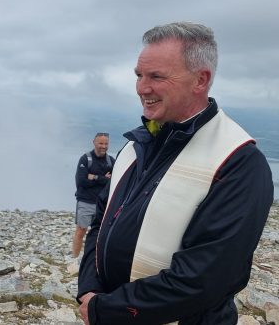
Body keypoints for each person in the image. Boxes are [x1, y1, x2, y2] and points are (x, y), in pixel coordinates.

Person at [77, 22, 273, 324]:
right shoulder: (135, 146)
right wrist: (89, 288)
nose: (142, 88)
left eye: (157, 76)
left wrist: (104, 310)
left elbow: (204, 278)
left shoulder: (238, 162)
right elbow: (101, 222)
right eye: (139, 75)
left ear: (200, 80)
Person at [72, 132, 115, 259]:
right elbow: (82, 181)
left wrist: (93, 177)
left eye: (106, 143)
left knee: (99, 234)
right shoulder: (85, 159)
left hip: (103, 204)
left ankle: (93, 259)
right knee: (81, 230)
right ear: (94, 142)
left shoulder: (111, 161)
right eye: (101, 143)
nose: (104, 146)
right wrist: (103, 178)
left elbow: (114, 182)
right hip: (85, 201)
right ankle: (74, 258)